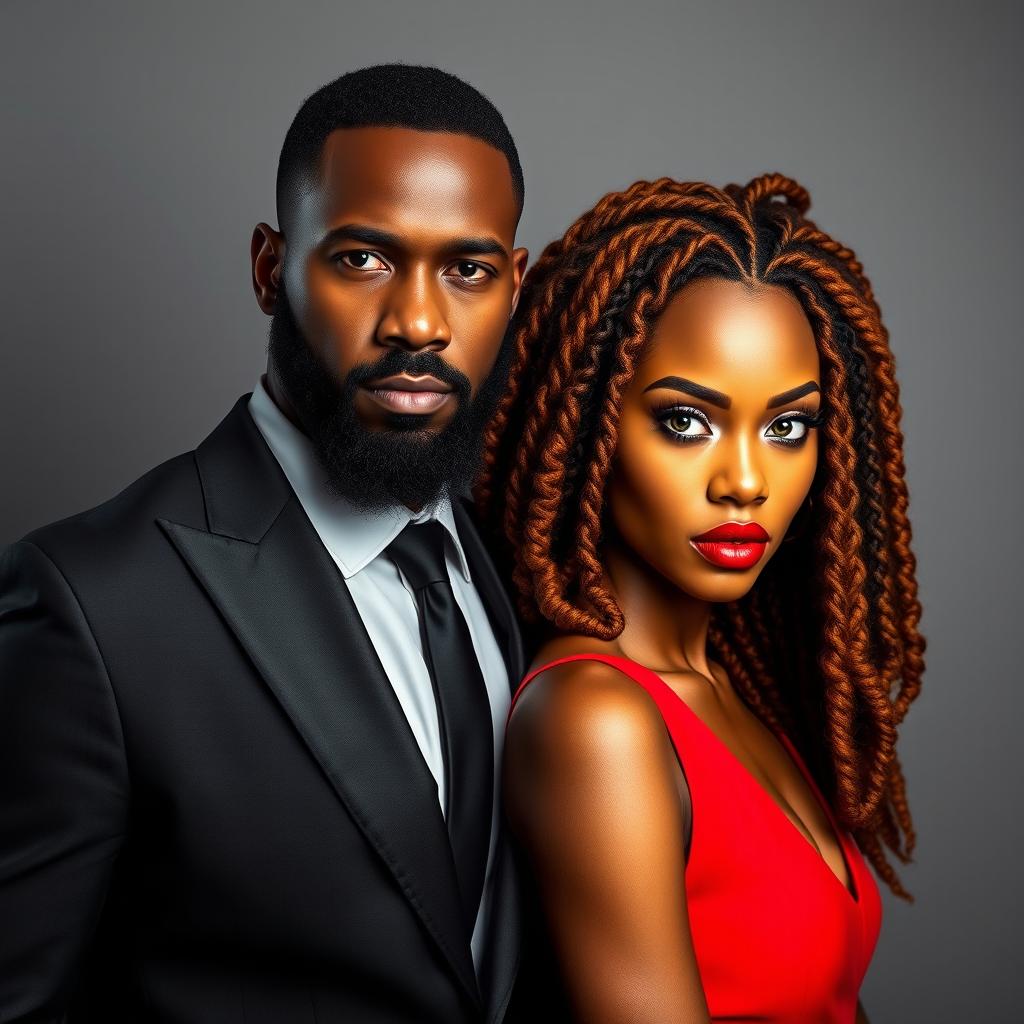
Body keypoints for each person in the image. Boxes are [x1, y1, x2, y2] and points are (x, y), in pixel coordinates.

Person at [0, 64, 530, 1023]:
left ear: (513, 285)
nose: (419, 321)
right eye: (364, 258)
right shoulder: (91, 605)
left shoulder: (520, 561)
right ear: (267, 267)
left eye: (467, 269)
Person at [477, 174, 925, 1023]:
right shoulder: (595, 720)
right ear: (586, 427)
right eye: (687, 421)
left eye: (788, 427)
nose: (746, 481)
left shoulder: (742, 696)